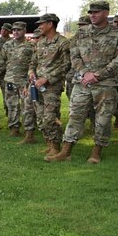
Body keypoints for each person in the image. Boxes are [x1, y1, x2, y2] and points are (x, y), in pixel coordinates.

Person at [48, 1, 118, 163]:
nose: (92, 15)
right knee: (75, 115)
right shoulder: (81, 33)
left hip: (106, 84)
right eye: (90, 12)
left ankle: (97, 151)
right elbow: (74, 56)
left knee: (103, 119)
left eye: (96, 12)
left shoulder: (117, 34)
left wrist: (98, 75)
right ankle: (66, 151)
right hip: (82, 82)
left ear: (106, 13)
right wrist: (85, 73)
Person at [27, 14, 70, 156]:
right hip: (37, 85)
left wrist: (47, 78)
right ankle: (50, 143)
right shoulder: (40, 42)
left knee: (50, 117)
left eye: (42, 23)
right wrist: (31, 72)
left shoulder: (63, 43)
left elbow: (67, 65)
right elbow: (33, 61)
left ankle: (56, 146)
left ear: (50, 24)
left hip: (52, 86)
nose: (39, 26)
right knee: (40, 116)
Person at [0, 22, 35, 138]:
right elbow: (1, 61)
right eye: (13, 30)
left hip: (25, 81)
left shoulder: (31, 45)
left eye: (19, 30)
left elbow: (35, 62)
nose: (15, 32)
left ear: (24, 31)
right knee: (11, 105)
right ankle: (14, 128)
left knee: (27, 107)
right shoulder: (7, 45)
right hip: (10, 80)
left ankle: (29, 131)